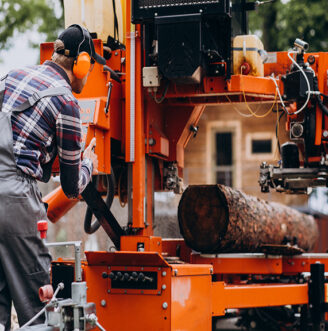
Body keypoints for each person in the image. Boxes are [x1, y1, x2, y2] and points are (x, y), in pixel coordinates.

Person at [0, 24, 104, 330]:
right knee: (38, 307)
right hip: (15, 203)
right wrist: (88, 164)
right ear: (81, 62)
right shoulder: (67, 103)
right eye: (89, 67)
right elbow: (72, 188)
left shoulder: (10, 77)